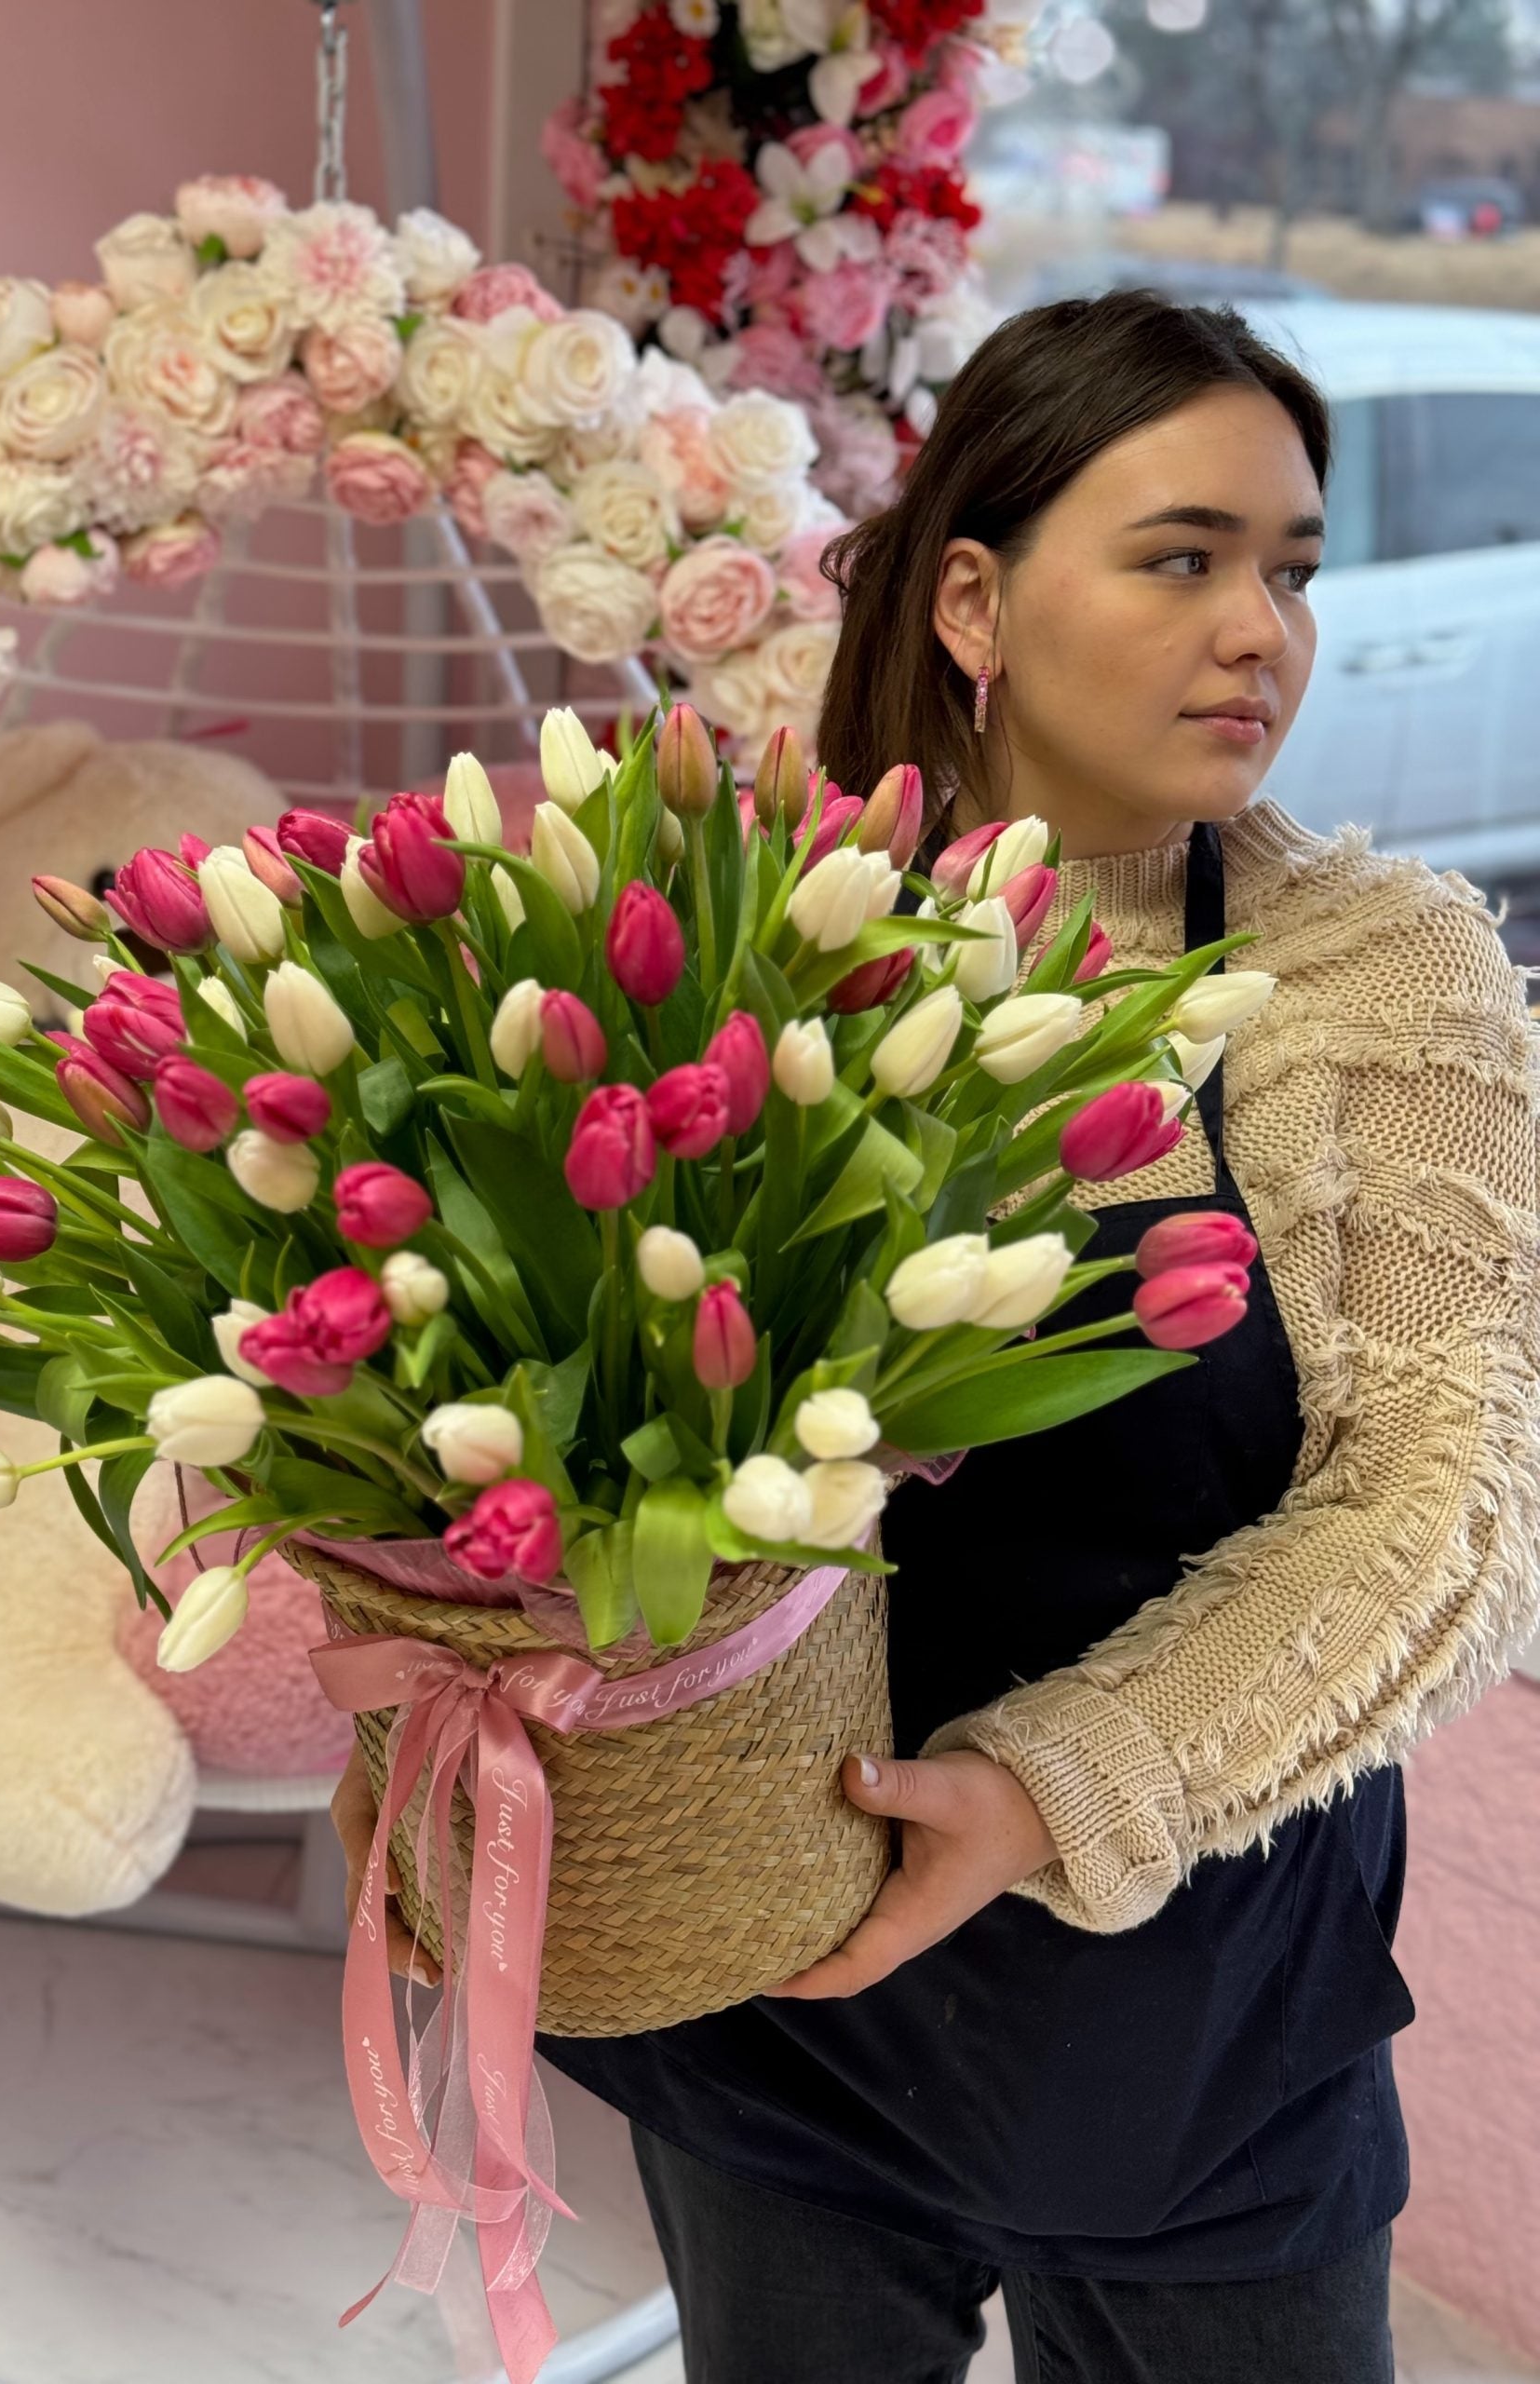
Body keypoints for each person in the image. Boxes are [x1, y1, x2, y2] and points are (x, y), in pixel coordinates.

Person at [332, 291, 1540, 2383]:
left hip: (1183, 2021)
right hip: (773, 1985)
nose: (1263, 630)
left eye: (1293, 569)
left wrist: (1044, 1785)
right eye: (1184, 558)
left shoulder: (1381, 982)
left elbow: (1455, 1503)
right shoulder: (730, 914)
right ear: (974, 595)